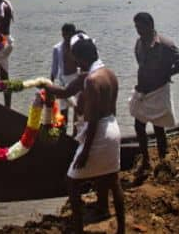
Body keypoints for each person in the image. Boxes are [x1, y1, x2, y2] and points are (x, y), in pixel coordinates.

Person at [46, 33, 125, 234]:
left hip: (98, 133)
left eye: (75, 58)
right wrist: (44, 86)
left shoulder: (90, 81)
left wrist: (85, 152)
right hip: (113, 129)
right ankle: (122, 229)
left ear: (82, 58)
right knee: (113, 181)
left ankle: (79, 228)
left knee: (71, 182)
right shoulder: (109, 73)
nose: (74, 62)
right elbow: (64, 92)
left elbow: (93, 121)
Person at [129, 12, 179, 175]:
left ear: (150, 25)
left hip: (158, 90)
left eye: (141, 26)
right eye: (136, 26)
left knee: (158, 127)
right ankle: (146, 160)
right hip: (143, 91)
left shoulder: (164, 44)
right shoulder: (139, 43)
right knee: (138, 126)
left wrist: (167, 74)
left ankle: (163, 160)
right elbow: (140, 65)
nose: (138, 30)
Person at [50, 23, 79, 135]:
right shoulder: (57, 48)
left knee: (77, 109)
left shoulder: (77, 47)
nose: (65, 36)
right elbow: (54, 67)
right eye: (63, 34)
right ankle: (63, 133)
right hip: (63, 81)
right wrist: (50, 84)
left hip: (76, 80)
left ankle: (75, 134)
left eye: (68, 34)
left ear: (73, 34)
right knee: (63, 110)